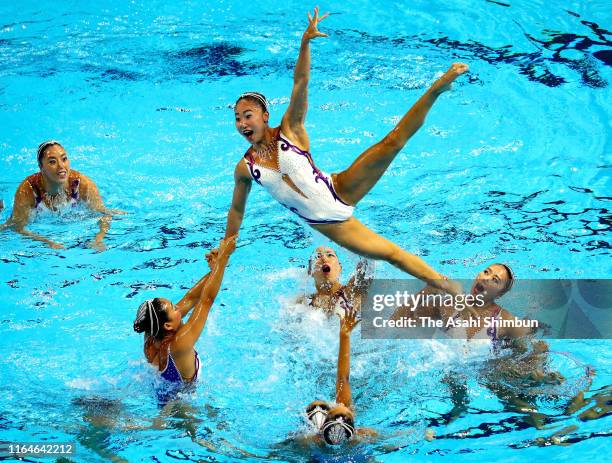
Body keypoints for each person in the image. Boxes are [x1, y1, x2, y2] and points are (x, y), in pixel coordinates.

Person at [225, 7, 468, 296]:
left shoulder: (290, 129)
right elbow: (237, 210)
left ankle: (437, 89)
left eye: (247, 115)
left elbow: (300, 83)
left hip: (340, 186)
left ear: (265, 115)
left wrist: (305, 44)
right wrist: (226, 247)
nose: (242, 123)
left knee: (392, 142)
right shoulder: (245, 168)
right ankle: (448, 286)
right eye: (238, 118)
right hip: (331, 223)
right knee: (391, 253)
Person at [133, 235, 236, 405]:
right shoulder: (180, 343)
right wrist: (223, 259)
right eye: (173, 308)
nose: (178, 307)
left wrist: (215, 270)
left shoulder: (150, 337)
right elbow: (206, 301)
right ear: (167, 325)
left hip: (163, 394)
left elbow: (190, 298)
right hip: (183, 404)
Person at [1, 140, 124, 250]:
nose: (61, 166)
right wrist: (47, 242)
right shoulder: (28, 189)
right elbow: (19, 227)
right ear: (41, 167)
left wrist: (98, 239)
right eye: (52, 161)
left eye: (64, 159)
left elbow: (103, 215)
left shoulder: (82, 184)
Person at [301, 307, 376, 446]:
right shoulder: (366, 434)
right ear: (355, 430)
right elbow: (343, 378)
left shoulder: (307, 440)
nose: (337, 404)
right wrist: (345, 336)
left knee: (316, 406)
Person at [299, 245, 373, 317]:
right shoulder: (303, 302)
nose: (324, 258)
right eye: (318, 256)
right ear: (310, 271)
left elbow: (369, 263)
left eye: (330, 255)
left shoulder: (352, 292)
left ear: (340, 268)